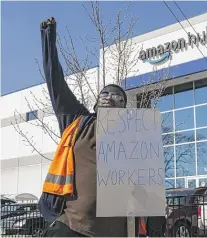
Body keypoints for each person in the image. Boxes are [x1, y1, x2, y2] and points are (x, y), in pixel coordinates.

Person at [38, 17, 138, 237]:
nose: (111, 98)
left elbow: (145, 186)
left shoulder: (133, 138)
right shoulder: (78, 121)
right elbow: (56, 82)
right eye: (106, 94)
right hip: (73, 228)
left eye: (118, 97)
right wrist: (48, 37)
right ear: (95, 103)